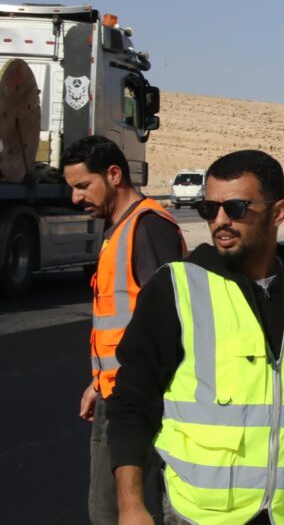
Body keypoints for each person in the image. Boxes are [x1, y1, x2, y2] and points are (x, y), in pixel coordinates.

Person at [106, 150, 284, 525]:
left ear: (278, 212)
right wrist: (130, 505)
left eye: (235, 208)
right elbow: (132, 399)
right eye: (209, 209)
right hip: (199, 514)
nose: (220, 221)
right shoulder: (177, 287)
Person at [61, 135, 186, 525]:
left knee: (118, 512)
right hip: (117, 391)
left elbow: (167, 322)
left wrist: (135, 395)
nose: (76, 198)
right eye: (72, 188)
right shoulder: (120, 228)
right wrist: (98, 382)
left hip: (138, 400)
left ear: (114, 174)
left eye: (83, 186)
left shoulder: (148, 228)